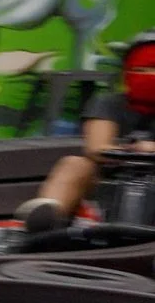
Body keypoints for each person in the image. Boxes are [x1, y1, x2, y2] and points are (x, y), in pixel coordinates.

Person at [16, 55, 155, 234]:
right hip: (111, 177)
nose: (148, 75)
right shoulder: (110, 103)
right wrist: (134, 150)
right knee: (75, 164)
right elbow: (97, 148)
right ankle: (47, 216)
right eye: (141, 70)